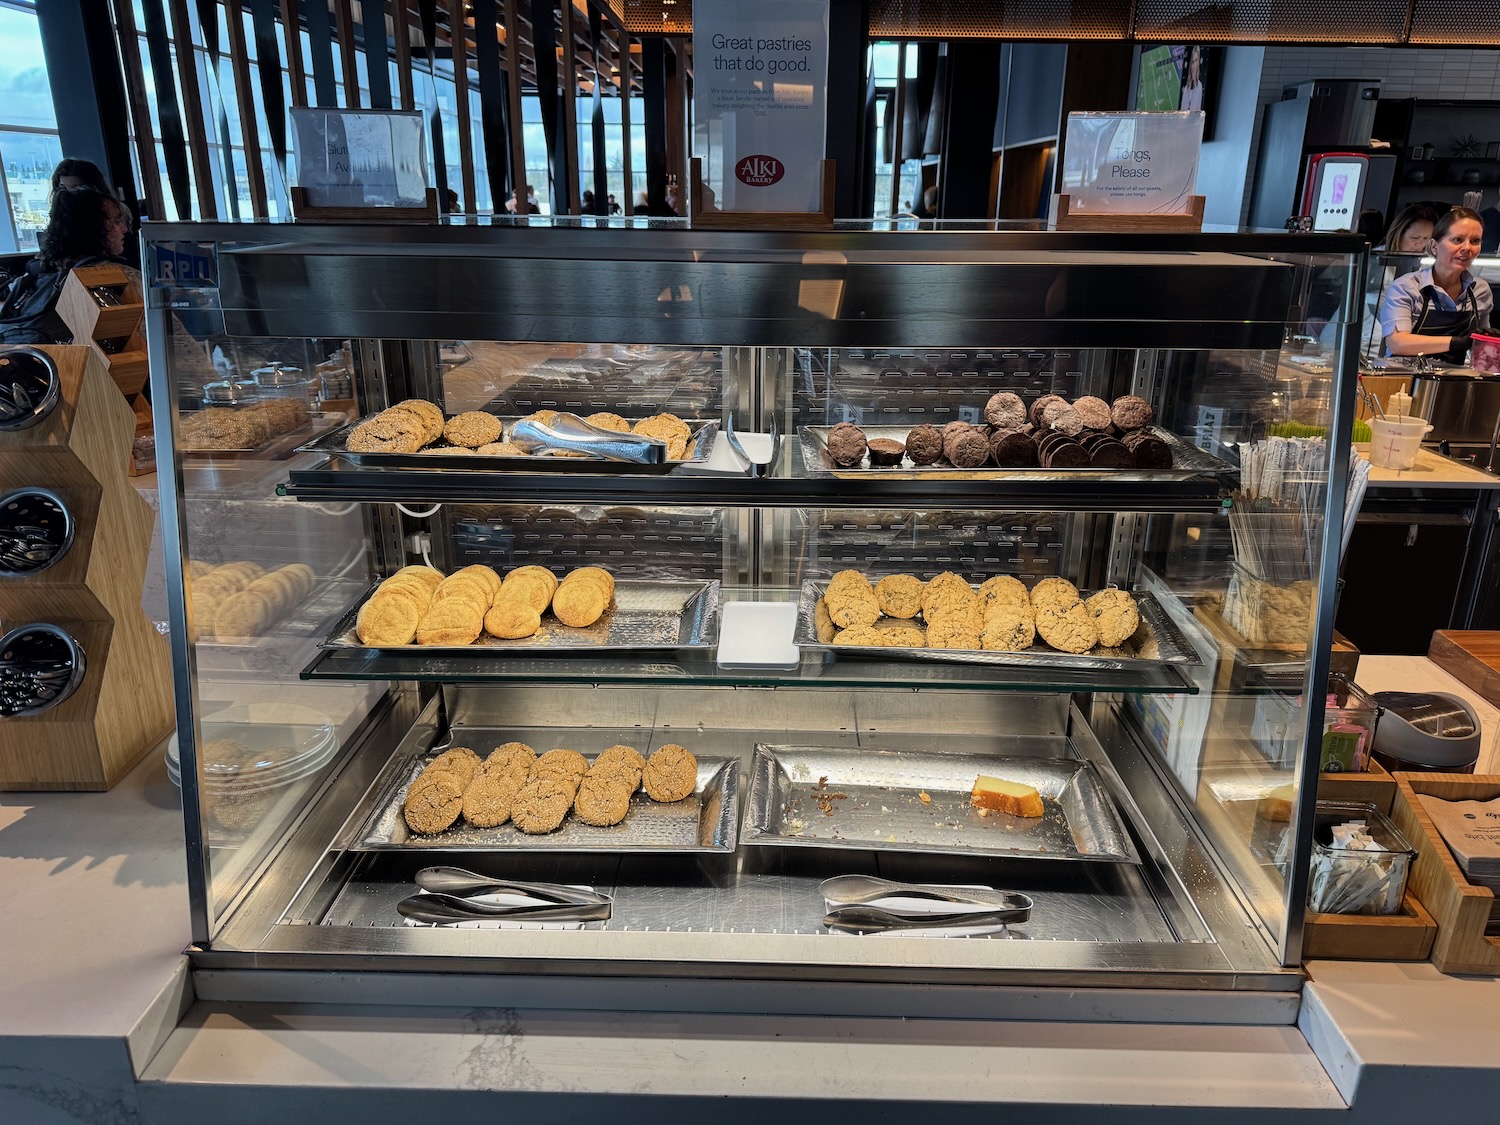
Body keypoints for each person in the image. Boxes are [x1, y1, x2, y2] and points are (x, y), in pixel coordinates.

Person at [0, 188, 134, 344]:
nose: (124, 229)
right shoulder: (115, 276)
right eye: (116, 222)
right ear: (92, 228)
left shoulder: (34, 276)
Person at [1379, 206, 1492, 362]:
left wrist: (1489, 341)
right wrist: (1457, 342)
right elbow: (1398, 343)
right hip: (1406, 380)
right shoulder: (1406, 287)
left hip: (1455, 380)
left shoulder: (1480, 290)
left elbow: (1481, 351)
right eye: (1457, 240)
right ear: (1434, 246)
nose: (1467, 248)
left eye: (1475, 241)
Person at [1179, 47, 1204, 112]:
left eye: (1196, 61)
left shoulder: (1199, 86)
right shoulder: (1186, 89)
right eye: (1192, 62)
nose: (1193, 65)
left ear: (1198, 63)